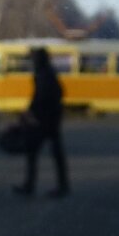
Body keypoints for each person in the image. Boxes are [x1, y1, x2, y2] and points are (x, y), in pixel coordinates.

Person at [15, 47, 69, 198]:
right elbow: (59, 93)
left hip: (42, 120)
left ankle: (30, 185)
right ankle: (62, 185)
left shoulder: (42, 75)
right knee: (56, 154)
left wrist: (30, 112)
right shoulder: (50, 73)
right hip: (52, 119)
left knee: (33, 152)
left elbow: (39, 97)